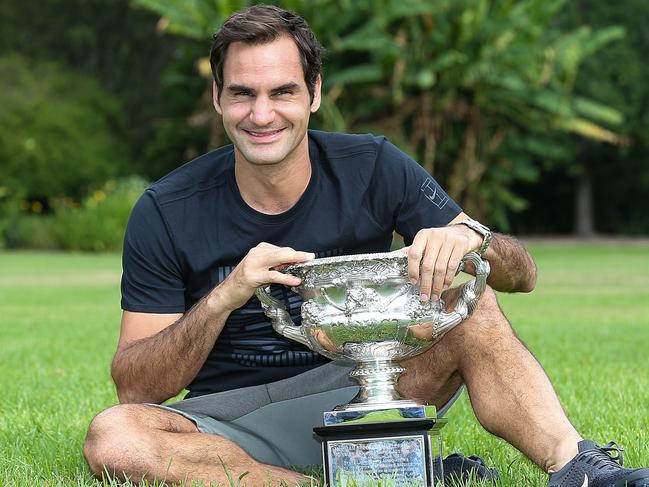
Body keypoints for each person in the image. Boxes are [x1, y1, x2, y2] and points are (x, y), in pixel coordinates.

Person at [82, 5, 649, 487]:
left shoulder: (373, 164)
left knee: (474, 304)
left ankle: (578, 468)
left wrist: (469, 238)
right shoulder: (166, 207)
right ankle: (365, 473)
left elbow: (522, 275)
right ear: (217, 98)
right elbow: (137, 386)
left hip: (369, 379)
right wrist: (224, 297)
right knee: (116, 436)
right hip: (234, 419)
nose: (261, 114)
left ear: (315, 94)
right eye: (242, 94)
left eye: (283, 92)